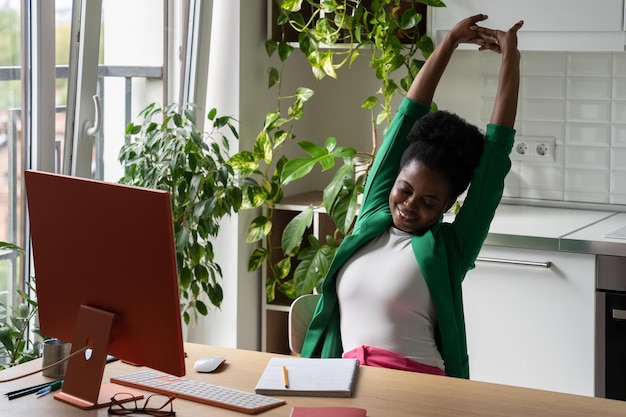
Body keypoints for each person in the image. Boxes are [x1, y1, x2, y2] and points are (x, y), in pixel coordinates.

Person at [299, 14, 524, 379]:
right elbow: (407, 117)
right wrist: (449, 41)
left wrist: (510, 59)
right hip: (344, 379)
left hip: (417, 387)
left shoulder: (450, 249)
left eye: (429, 202)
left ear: (448, 206)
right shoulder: (372, 216)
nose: (408, 205)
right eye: (405, 189)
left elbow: (495, 155)